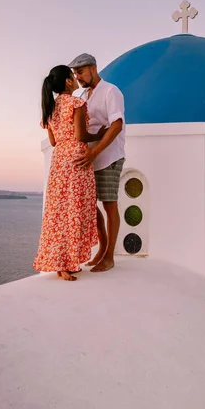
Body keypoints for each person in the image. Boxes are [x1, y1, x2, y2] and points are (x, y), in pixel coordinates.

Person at [33, 65, 105, 281]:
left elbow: (54, 141)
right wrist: (99, 134)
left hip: (59, 162)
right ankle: (68, 262)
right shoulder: (76, 103)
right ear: (67, 82)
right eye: (73, 77)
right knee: (75, 211)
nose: (75, 79)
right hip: (76, 160)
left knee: (58, 213)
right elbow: (81, 135)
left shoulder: (50, 108)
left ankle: (60, 263)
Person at [69, 53, 125, 273]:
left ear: (93, 68)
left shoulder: (111, 91)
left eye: (80, 72)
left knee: (109, 204)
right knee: (91, 206)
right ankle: (101, 250)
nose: (78, 77)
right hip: (89, 158)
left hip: (109, 156)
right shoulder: (84, 95)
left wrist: (96, 152)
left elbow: (117, 124)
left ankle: (109, 257)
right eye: (75, 74)